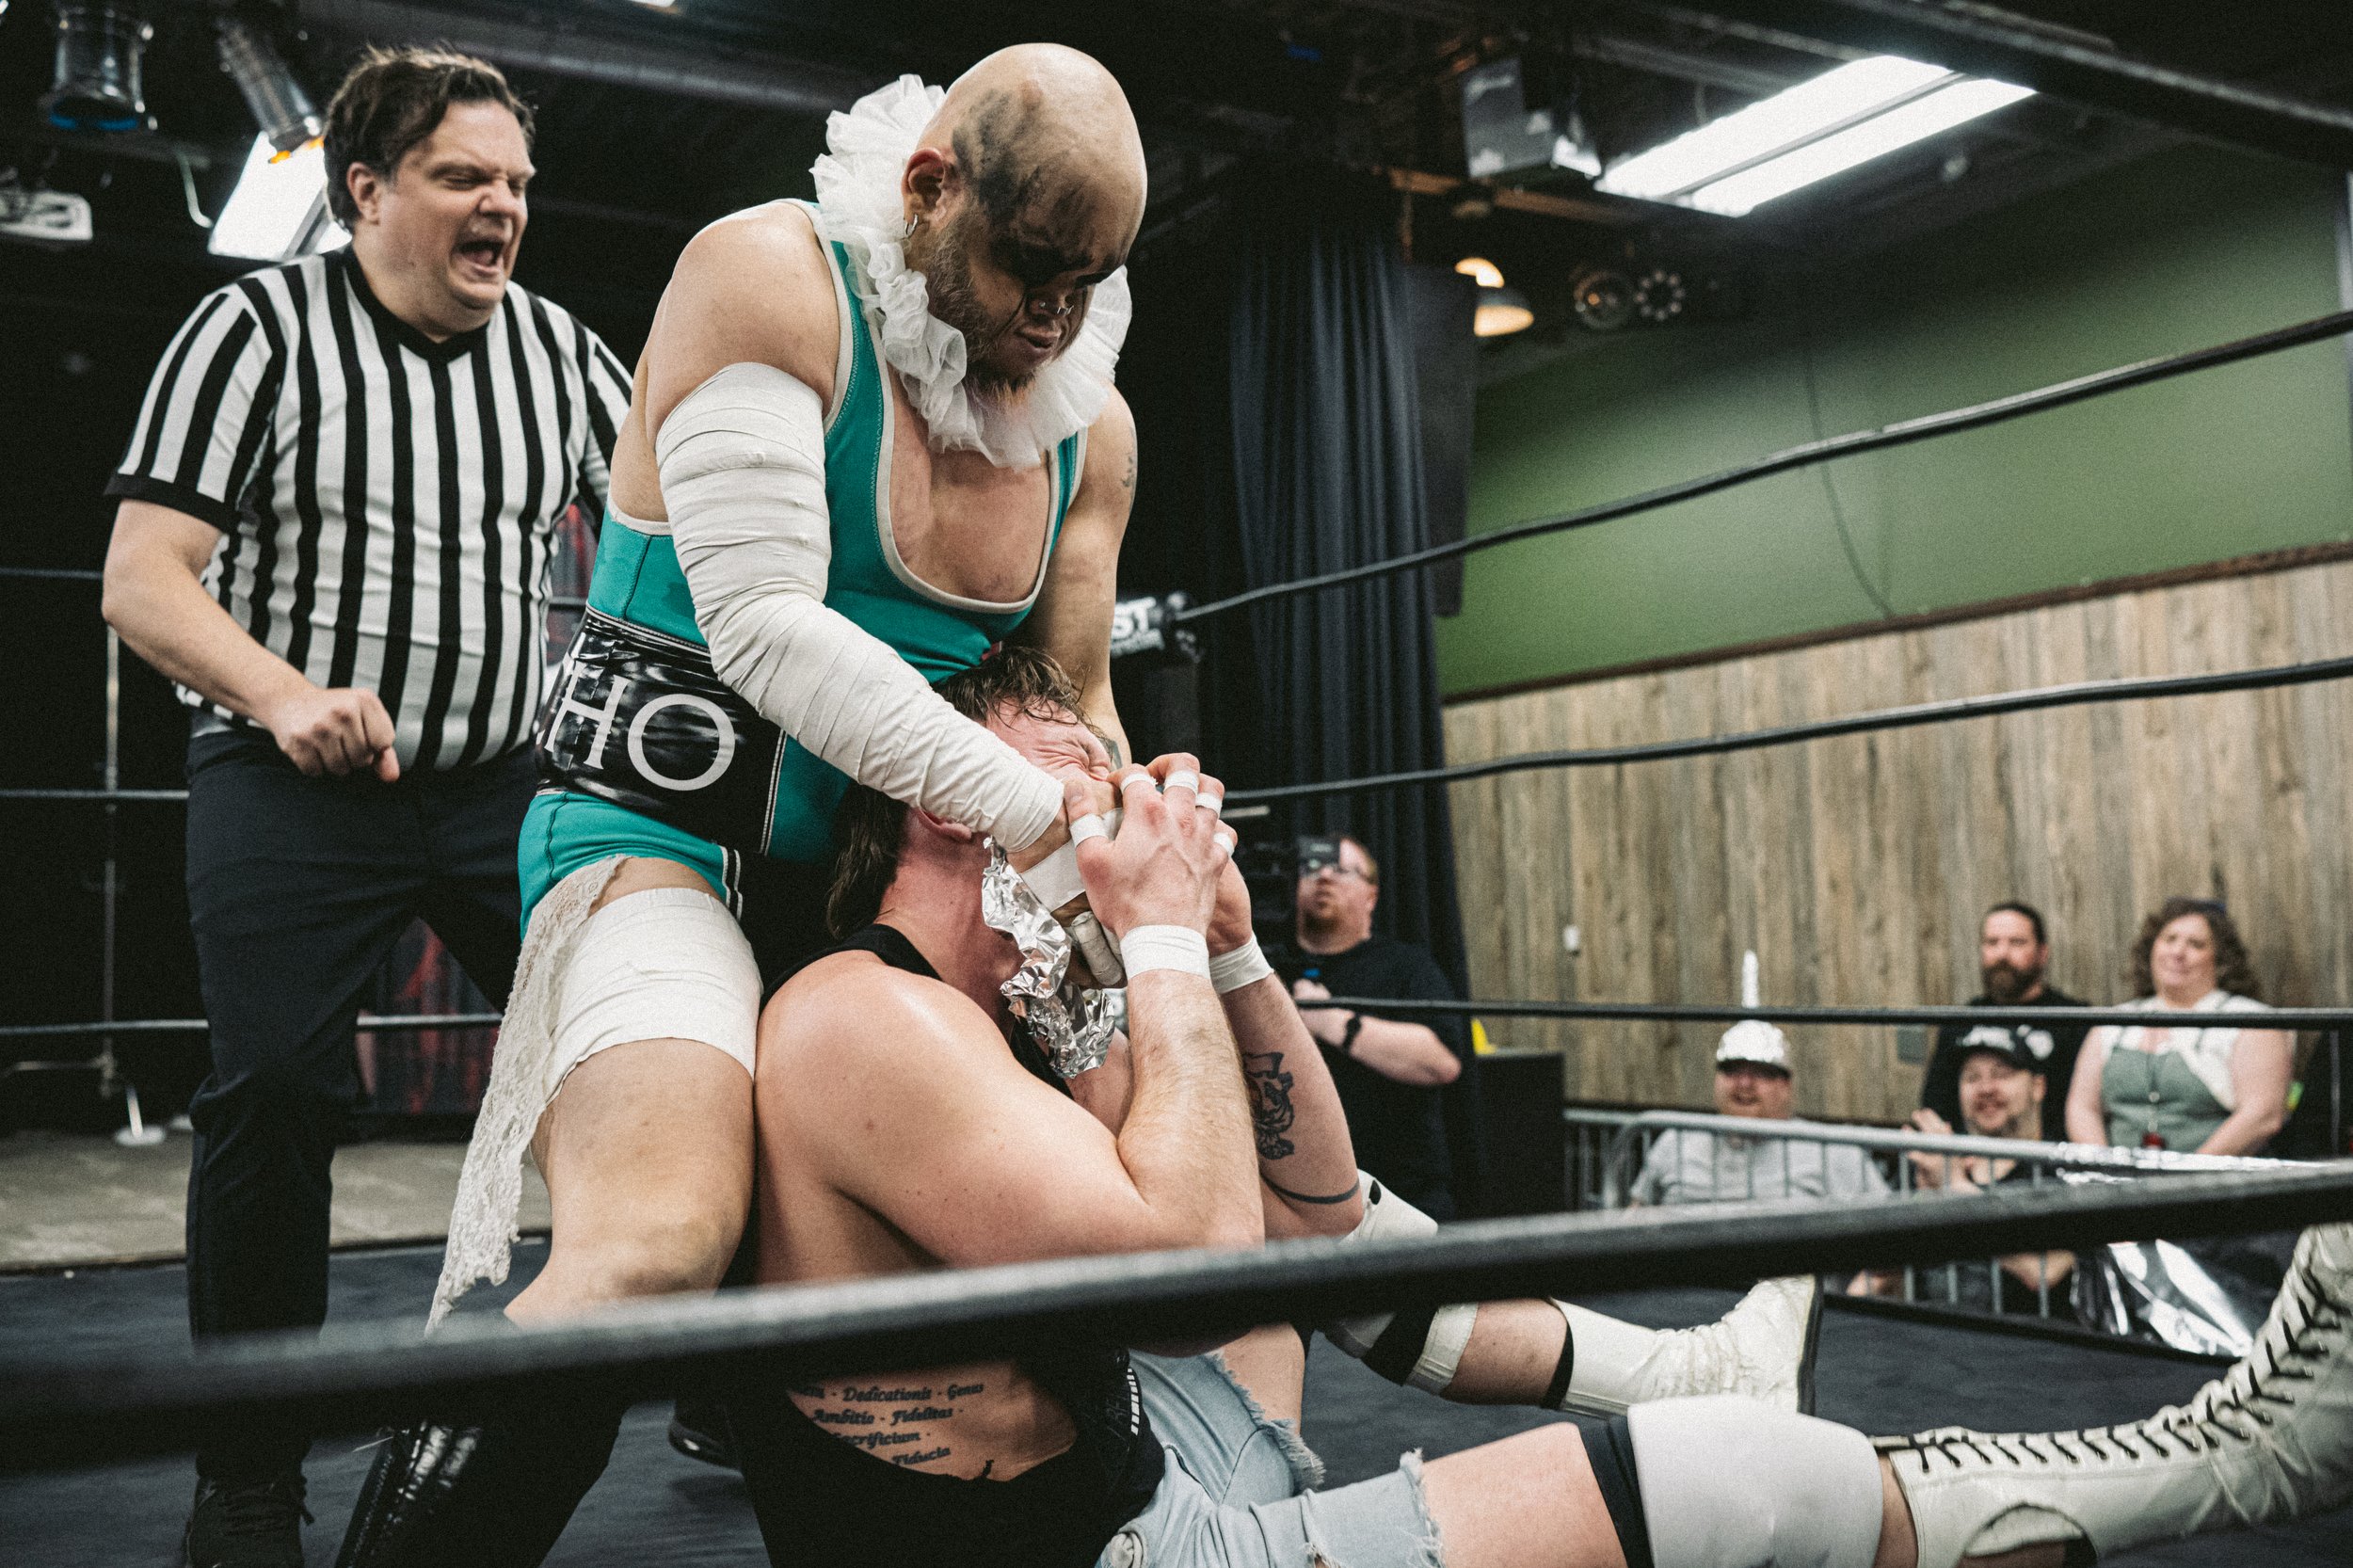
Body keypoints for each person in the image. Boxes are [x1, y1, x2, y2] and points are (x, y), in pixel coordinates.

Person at [731, 650, 2353, 1568]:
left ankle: (1688, 1365)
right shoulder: (863, 1017)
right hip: (1122, 1554)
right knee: (1740, 1477)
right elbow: (1205, 1264)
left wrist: (1224, 949)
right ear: (953, 801)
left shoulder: (1018, 1005)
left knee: (1326, 1246)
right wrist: (1153, 932)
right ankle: (2239, 1464)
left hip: (1150, 1453)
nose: (1114, 799)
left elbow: (1312, 1208)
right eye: (1075, 768)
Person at [339, 48, 1151, 1564]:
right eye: (1031, 267)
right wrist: (1046, 832)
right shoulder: (770, 277)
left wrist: (1141, 876)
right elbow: (767, 627)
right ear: (931, 188)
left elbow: (1077, 697)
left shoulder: (1085, 427)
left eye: (1088, 283)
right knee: (654, 1244)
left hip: (883, 907)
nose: (1053, 317)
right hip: (660, 843)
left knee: (1105, 1188)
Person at [99, 47, 627, 1568]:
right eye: (465, 177)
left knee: (656, 1054)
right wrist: (282, 694)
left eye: (517, 182)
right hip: (288, 782)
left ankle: (726, 1371)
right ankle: (249, 1478)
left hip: (500, 785)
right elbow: (142, 580)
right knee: (272, 1092)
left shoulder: (561, 355)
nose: (502, 206)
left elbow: (683, 528)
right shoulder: (255, 332)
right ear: (368, 191)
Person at [1285, 834, 1465, 1218]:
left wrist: (1333, 1021)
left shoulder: (1406, 967)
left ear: (1371, 896)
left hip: (1399, 1197)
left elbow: (1442, 1062)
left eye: (1341, 869)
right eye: (1312, 867)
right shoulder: (1266, 969)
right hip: (1293, 1203)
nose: (1324, 876)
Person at [1630, 968, 1891, 1206]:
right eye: (1732, 1070)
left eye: (1761, 1073)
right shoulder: (1675, 1143)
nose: (1744, 1084)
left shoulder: (1833, 1151)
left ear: (1785, 1085)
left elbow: (1885, 1229)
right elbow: (1633, 1220)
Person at [2066, 897, 2292, 1156]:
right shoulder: (2114, 1022)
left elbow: (2262, 1115)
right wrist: (2104, 1166)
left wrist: (2191, 1174)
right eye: (2169, 939)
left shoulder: (2251, 1021)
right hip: (2115, 1177)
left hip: (2216, 1176)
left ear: (2221, 959)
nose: (2178, 953)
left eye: (2196, 944)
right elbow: (2082, 1107)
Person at [1866, 1037, 2076, 1317]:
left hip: (2022, 1340)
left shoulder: (2061, 1169)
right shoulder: (1933, 1164)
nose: (1986, 1089)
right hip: (1929, 1336)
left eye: (2001, 1074)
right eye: (1972, 1078)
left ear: (2038, 1087)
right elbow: (1875, 1275)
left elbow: (2044, 1270)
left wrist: (1954, 1190)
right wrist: (1921, 1205)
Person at [1917, 902, 2089, 1142]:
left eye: (2016, 942)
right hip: (1968, 1155)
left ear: (2042, 953)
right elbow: (1936, 1107)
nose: (2002, 954)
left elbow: (2082, 1111)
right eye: (1992, 943)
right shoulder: (1960, 1022)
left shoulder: (2074, 1020)